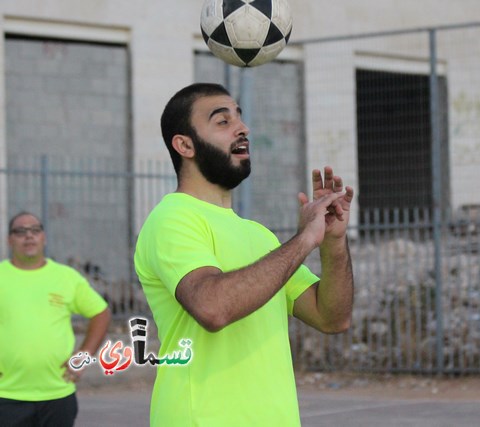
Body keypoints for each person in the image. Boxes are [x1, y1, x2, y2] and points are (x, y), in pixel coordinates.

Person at [134, 83, 354, 426]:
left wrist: (333, 242)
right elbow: (213, 307)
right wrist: (303, 240)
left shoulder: (259, 236)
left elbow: (332, 317)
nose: (242, 128)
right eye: (222, 122)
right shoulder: (172, 219)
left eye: (240, 117)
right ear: (185, 144)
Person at [0, 211, 111, 427]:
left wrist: (84, 355)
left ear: (44, 237)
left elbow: (101, 313)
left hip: (58, 393)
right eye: (20, 231)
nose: (28, 236)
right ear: (9, 240)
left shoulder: (66, 277)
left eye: (35, 230)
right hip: (6, 395)